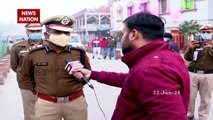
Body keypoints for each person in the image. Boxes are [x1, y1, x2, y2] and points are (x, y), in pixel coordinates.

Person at [74, 12, 190, 119]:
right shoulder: (163, 54)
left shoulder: (152, 69)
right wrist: (93, 74)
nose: (122, 38)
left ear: (133, 34)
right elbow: (135, 81)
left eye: (123, 33)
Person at [19, 15, 91, 120]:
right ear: (46, 35)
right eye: (57, 32)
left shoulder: (79, 53)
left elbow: (88, 74)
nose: (63, 36)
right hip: (46, 104)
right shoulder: (33, 54)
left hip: (76, 103)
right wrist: (39, 93)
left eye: (66, 33)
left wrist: (81, 78)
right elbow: (25, 77)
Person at [10, 23, 44, 120]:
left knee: (48, 112)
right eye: (32, 31)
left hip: (47, 84)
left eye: (38, 31)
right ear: (27, 32)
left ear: (42, 32)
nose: (35, 33)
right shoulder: (17, 48)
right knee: (30, 113)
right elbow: (14, 66)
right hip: (27, 85)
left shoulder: (49, 46)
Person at [184, 24, 213, 120]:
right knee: (190, 96)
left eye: (208, 32)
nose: (205, 34)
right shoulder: (197, 44)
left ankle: (202, 117)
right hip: (193, 73)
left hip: (208, 75)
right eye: (203, 32)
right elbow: (188, 58)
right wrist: (191, 48)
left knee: (205, 98)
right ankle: (189, 114)